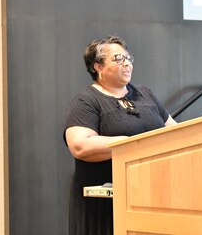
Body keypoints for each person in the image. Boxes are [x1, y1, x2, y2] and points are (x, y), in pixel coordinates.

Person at [63, 35, 177, 235]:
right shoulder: (86, 101)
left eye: (128, 58)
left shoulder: (145, 95)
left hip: (153, 195)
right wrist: (129, 144)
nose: (127, 64)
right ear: (98, 67)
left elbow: (176, 133)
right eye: (118, 59)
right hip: (105, 205)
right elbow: (80, 146)